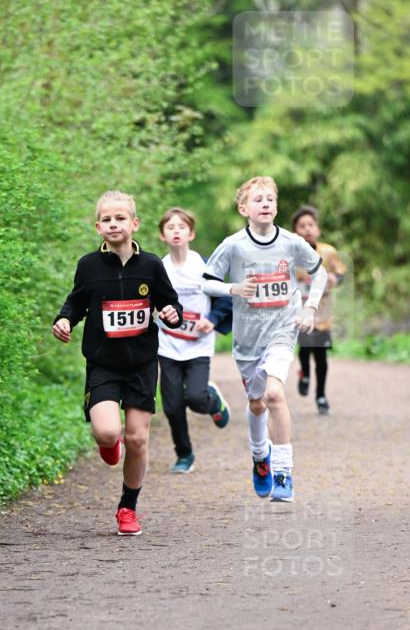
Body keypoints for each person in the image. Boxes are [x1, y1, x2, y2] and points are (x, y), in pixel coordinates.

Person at [52, 190, 183, 535]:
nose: (114, 224)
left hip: (141, 364)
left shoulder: (152, 266)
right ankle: (109, 443)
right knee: (108, 431)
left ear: (134, 224)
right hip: (103, 364)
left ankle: (127, 507)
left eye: (120, 218)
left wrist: (171, 314)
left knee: (138, 439)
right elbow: (75, 303)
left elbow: (171, 307)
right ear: (98, 227)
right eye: (107, 219)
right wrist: (64, 320)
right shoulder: (89, 266)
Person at [201, 176, 328, 502]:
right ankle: (260, 457)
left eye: (270, 199)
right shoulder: (233, 245)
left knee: (274, 394)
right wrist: (233, 289)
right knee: (256, 402)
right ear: (244, 208)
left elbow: (320, 272)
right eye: (258, 199)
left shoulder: (290, 241)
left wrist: (310, 308)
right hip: (247, 340)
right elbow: (207, 282)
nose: (266, 204)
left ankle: (284, 474)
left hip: (283, 330)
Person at [156, 207, 233, 474]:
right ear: (162, 235)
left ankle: (211, 400)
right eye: (170, 227)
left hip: (198, 344)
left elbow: (225, 297)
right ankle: (184, 454)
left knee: (195, 397)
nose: (176, 231)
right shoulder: (159, 268)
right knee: (172, 406)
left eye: (181, 227)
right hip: (168, 344)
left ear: (191, 233)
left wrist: (211, 318)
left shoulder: (204, 266)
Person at [292, 205, 347, 415]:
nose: (307, 229)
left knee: (322, 356)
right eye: (302, 226)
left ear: (317, 229)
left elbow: (340, 271)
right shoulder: (291, 253)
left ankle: (321, 396)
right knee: (305, 350)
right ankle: (304, 373)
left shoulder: (328, 252)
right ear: (295, 231)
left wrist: (336, 278)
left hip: (322, 313)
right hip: (300, 311)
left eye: (310, 225)